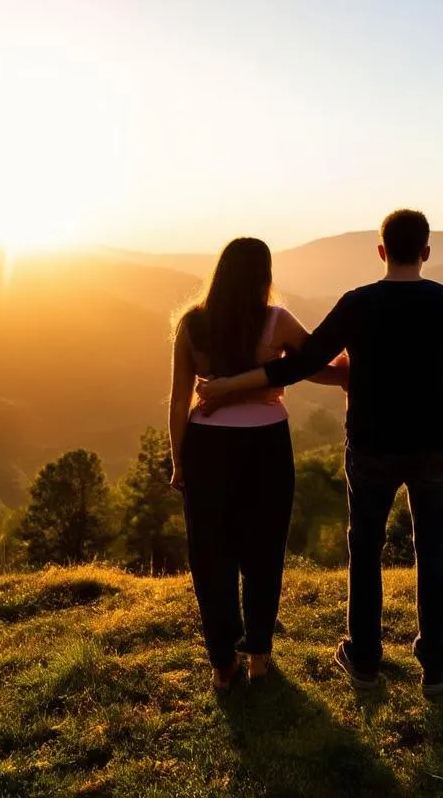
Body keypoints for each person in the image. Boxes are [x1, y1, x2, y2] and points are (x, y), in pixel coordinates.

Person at [197, 209, 443, 697]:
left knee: (364, 549)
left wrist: (227, 387)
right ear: (427, 252)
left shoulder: (358, 304)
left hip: (370, 445)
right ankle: (436, 664)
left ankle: (365, 660)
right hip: (434, 443)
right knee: (434, 549)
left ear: (381, 251)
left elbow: (301, 363)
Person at [169, 237, 348, 691]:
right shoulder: (276, 321)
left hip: (207, 445)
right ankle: (259, 661)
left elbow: (177, 400)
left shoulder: (192, 325)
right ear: (264, 276)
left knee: (211, 557)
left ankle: (221, 666)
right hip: (265, 444)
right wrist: (352, 372)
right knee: (263, 552)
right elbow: (315, 364)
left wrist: (178, 459)